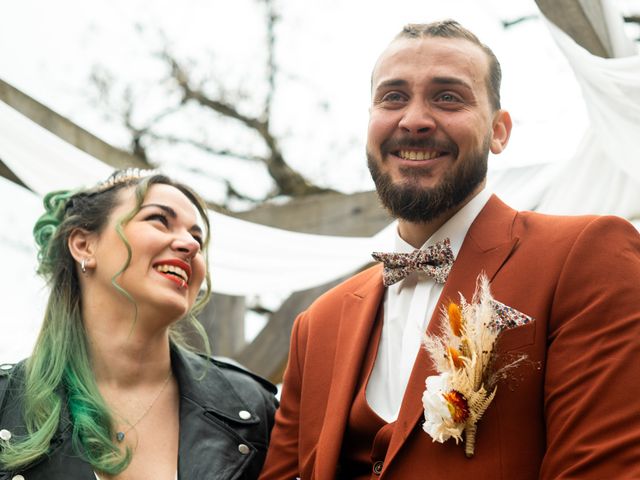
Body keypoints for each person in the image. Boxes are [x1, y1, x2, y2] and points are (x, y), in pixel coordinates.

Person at [259, 20, 640, 479]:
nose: (414, 119)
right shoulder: (316, 324)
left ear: (499, 132)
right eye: (393, 96)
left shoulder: (585, 255)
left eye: (448, 97)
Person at [0, 169, 277, 479]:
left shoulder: (252, 409)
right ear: (83, 245)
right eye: (159, 220)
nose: (192, 245)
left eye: (197, 237)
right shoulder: (4, 404)